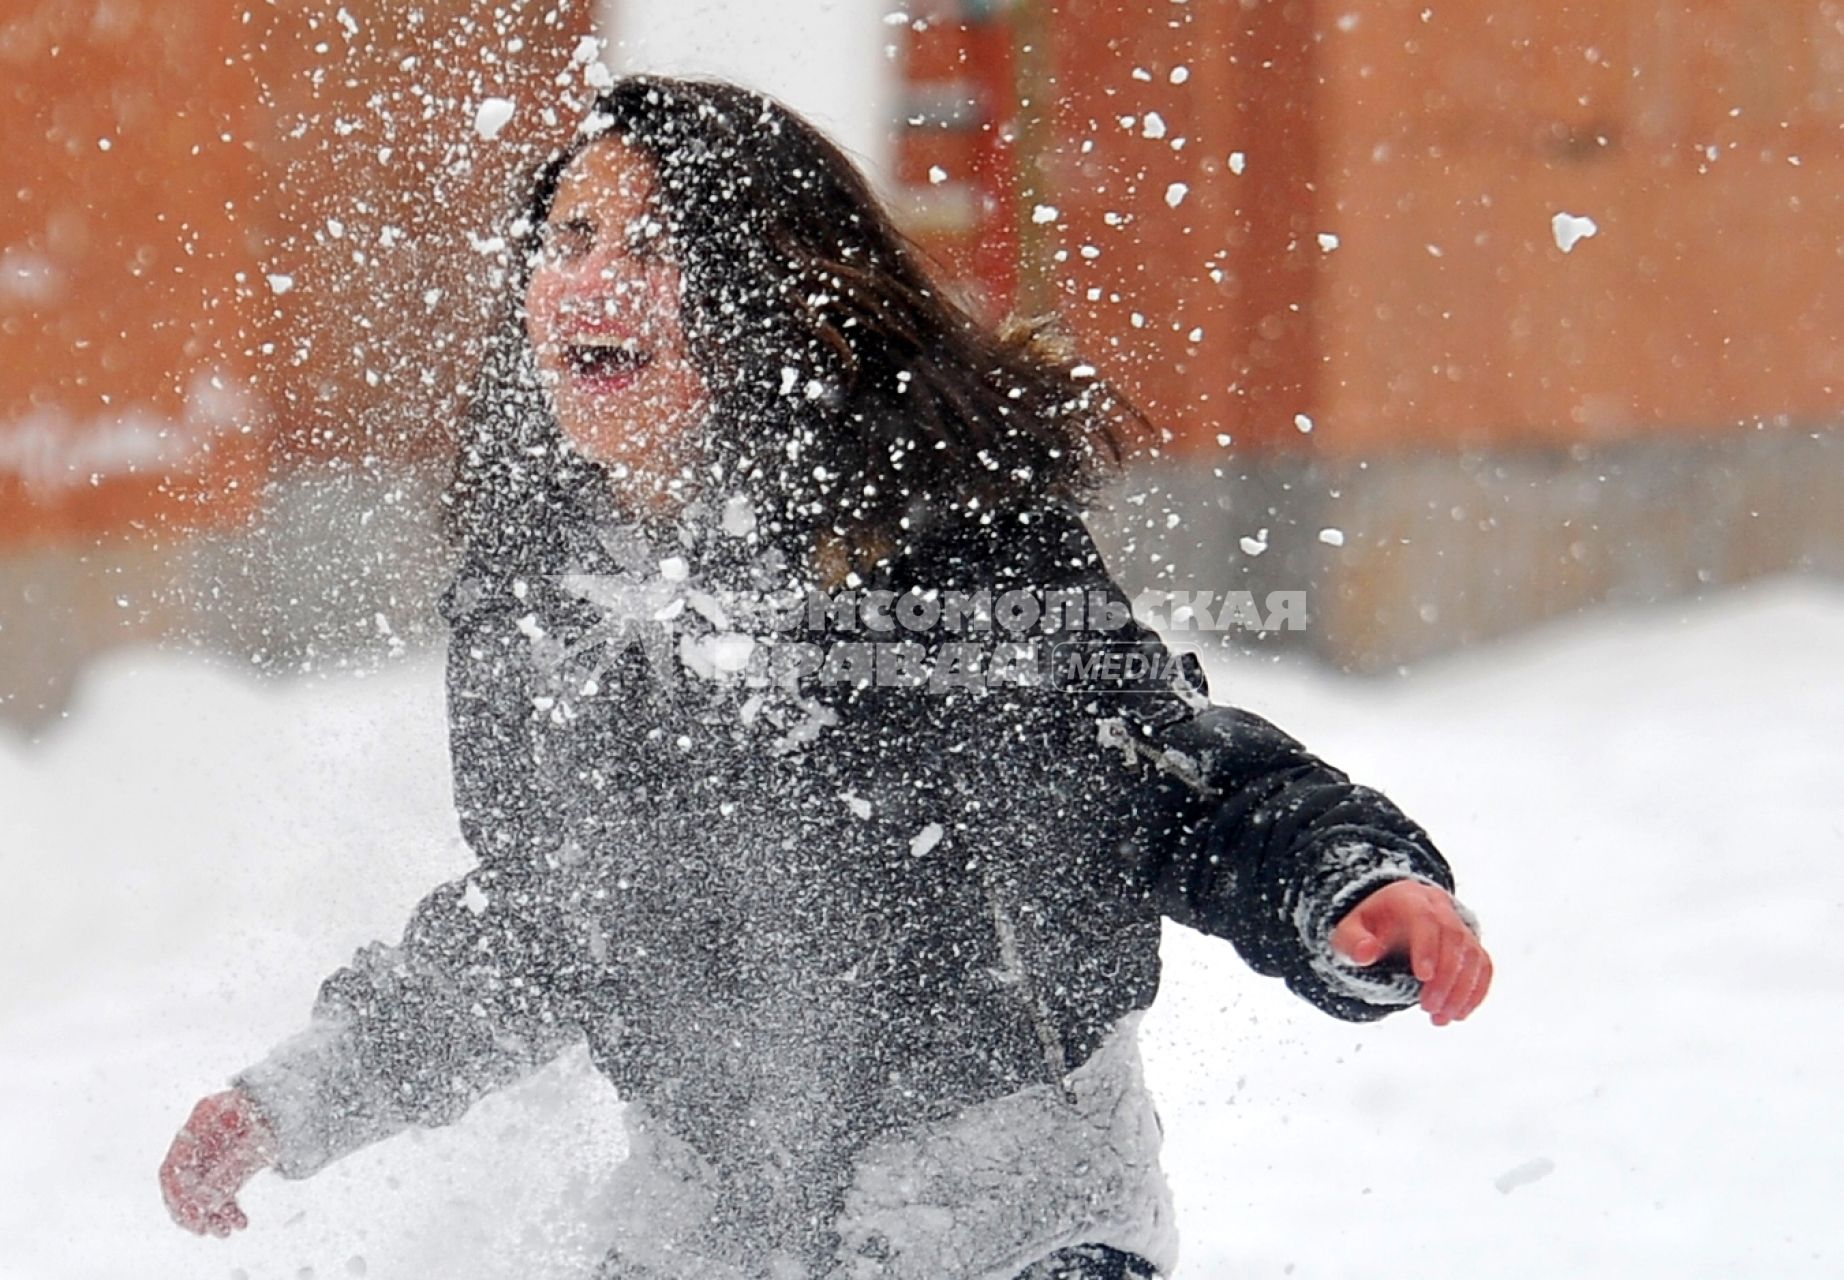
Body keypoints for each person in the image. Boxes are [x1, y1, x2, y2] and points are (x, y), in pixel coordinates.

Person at [160, 76, 1492, 1280]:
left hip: (1002, 1213)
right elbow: (547, 919)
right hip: (710, 1217)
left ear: (765, 289)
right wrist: (300, 1095)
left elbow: (1163, 771)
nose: (593, 281)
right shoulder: (537, 594)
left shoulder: (946, 539)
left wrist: (1345, 884)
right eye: (568, 241)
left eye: (653, 247)